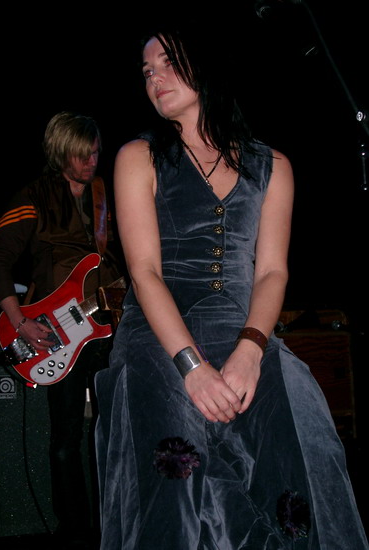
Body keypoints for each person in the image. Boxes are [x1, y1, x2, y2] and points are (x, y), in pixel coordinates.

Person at [93, 24, 369, 550]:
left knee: (303, 447)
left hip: (244, 335)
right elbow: (145, 272)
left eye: (168, 62)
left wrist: (251, 350)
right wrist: (192, 368)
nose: (155, 78)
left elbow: (272, 272)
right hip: (159, 339)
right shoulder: (138, 157)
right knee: (176, 468)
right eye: (147, 71)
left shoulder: (273, 165)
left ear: (206, 66)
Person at [0, 111, 122, 549]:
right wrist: (20, 321)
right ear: (60, 153)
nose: (91, 162)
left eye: (95, 153)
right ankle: (74, 531)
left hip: (108, 326)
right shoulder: (34, 196)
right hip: (56, 331)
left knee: (113, 433)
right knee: (66, 438)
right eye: (82, 155)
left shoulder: (105, 197)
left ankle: (113, 526)